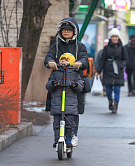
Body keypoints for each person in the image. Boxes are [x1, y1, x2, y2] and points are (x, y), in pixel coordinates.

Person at [44, 17, 88, 146]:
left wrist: (80, 63)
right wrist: (50, 62)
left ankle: (73, 135)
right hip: (58, 81)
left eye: (69, 30)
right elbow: (48, 57)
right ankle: (58, 137)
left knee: (73, 111)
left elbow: (84, 60)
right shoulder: (56, 45)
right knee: (57, 111)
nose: (66, 32)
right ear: (60, 31)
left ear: (74, 31)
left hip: (74, 81)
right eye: (64, 30)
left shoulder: (80, 46)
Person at [46, 53, 83, 148]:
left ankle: (69, 139)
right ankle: (57, 139)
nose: (63, 61)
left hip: (69, 104)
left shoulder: (75, 74)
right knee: (57, 124)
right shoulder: (55, 73)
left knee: (70, 123)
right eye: (61, 60)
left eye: (66, 60)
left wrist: (75, 85)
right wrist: (53, 84)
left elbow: (80, 86)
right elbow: (48, 85)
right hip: (58, 103)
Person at [96, 28, 128, 113]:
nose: (114, 38)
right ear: (110, 37)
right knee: (108, 90)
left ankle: (115, 105)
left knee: (117, 89)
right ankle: (110, 100)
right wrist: (98, 71)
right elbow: (102, 60)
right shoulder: (106, 48)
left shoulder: (122, 48)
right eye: (113, 36)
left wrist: (122, 65)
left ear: (118, 37)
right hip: (108, 70)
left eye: (116, 36)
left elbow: (125, 59)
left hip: (118, 71)